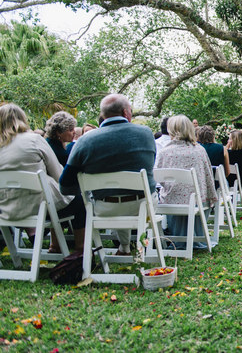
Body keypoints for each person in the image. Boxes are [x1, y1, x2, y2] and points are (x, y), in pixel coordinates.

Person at [60, 93, 157, 256]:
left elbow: (65, 185)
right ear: (126, 113)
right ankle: (142, 247)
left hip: (105, 208)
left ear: (102, 114)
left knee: (117, 198)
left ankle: (124, 247)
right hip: (143, 205)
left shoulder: (85, 141)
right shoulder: (145, 134)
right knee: (135, 194)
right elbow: (150, 164)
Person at [0, 104, 86, 252]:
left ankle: (55, 246)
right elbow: (59, 175)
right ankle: (81, 250)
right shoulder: (34, 140)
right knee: (79, 201)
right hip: (40, 208)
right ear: (22, 119)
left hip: (7, 210)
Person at [155, 115, 217, 249]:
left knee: (172, 193)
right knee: (201, 195)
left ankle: (175, 238)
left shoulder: (164, 152)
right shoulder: (199, 151)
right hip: (196, 201)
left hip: (170, 201)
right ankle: (197, 236)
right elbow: (208, 177)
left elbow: (158, 179)